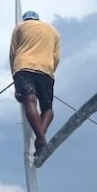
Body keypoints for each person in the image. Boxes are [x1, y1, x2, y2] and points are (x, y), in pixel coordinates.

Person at [9, 11, 61, 156]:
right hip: (46, 70)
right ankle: (40, 138)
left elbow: (13, 52)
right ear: (38, 19)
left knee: (30, 100)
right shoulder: (53, 31)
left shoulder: (20, 27)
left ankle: (41, 139)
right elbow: (56, 57)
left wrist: (15, 78)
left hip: (23, 67)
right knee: (47, 108)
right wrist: (50, 71)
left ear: (26, 19)